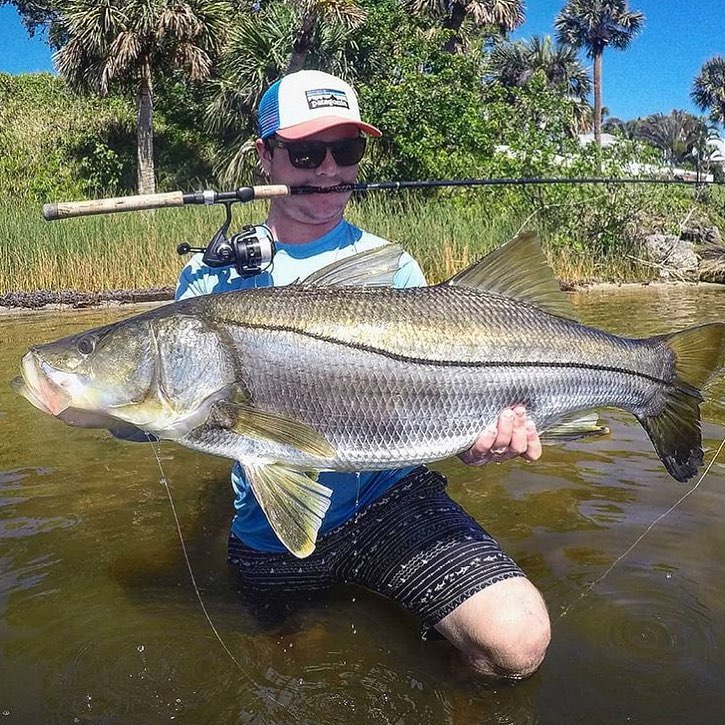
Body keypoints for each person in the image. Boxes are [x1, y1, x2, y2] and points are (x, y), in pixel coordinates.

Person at [176, 70, 551, 679]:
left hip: (392, 501)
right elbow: (163, 407)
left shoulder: (396, 267)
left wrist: (476, 444)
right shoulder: (208, 281)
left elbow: (434, 405)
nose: (328, 170)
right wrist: (106, 411)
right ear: (264, 155)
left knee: (516, 642)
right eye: (305, 152)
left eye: (345, 151)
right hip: (271, 524)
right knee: (287, 668)